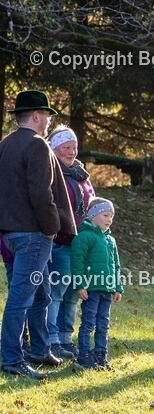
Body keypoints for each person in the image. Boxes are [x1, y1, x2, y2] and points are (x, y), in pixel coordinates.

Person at [0, 90, 76, 379]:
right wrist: (52, 229)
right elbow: (41, 194)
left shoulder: (5, 144)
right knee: (22, 297)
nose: (47, 121)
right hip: (32, 236)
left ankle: (40, 349)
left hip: (10, 235)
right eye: (46, 115)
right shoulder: (37, 145)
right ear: (36, 116)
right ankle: (11, 359)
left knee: (41, 294)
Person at [46, 126, 95, 361]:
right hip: (60, 241)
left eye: (74, 147)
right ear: (54, 149)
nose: (71, 152)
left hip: (80, 244)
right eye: (66, 147)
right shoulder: (51, 171)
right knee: (57, 291)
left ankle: (65, 338)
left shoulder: (81, 174)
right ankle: (51, 340)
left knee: (73, 294)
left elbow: (92, 204)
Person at [71, 197, 123, 370]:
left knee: (103, 323)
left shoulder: (110, 241)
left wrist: (117, 287)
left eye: (112, 216)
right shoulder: (84, 237)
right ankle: (84, 356)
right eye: (106, 215)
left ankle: (100, 355)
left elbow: (115, 265)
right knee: (88, 323)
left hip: (106, 290)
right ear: (93, 216)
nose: (110, 220)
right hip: (91, 290)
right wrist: (80, 285)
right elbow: (77, 262)